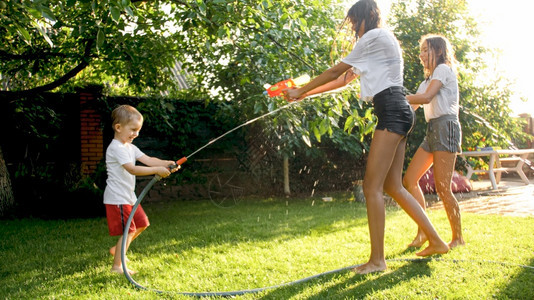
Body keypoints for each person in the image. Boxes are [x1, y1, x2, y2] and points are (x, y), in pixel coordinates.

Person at [285, 0, 449, 274]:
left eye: (353, 22)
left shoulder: (374, 36)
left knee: (371, 187)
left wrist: (301, 89)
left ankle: (377, 260)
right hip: (398, 109)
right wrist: (302, 94)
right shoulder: (379, 41)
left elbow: (336, 71)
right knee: (393, 186)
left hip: (392, 111)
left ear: (365, 17)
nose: (352, 28)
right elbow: (342, 81)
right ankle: (437, 240)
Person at [403, 34, 465, 249]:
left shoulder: (443, 70)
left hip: (446, 127)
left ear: (438, 51)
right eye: (421, 51)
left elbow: (427, 98)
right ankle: (423, 232)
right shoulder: (426, 82)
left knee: (443, 188)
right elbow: (412, 106)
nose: (421, 55)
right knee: (409, 180)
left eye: (425, 50)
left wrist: (398, 97)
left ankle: (458, 238)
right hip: (432, 130)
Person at [104, 104, 179, 274]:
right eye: (133, 129)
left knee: (142, 224)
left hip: (128, 196)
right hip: (117, 198)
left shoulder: (130, 147)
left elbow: (148, 159)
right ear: (118, 127)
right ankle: (117, 266)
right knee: (129, 230)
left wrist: (166, 163)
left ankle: (118, 250)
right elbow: (132, 169)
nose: (136, 134)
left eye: (138, 130)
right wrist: (156, 171)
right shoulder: (116, 147)